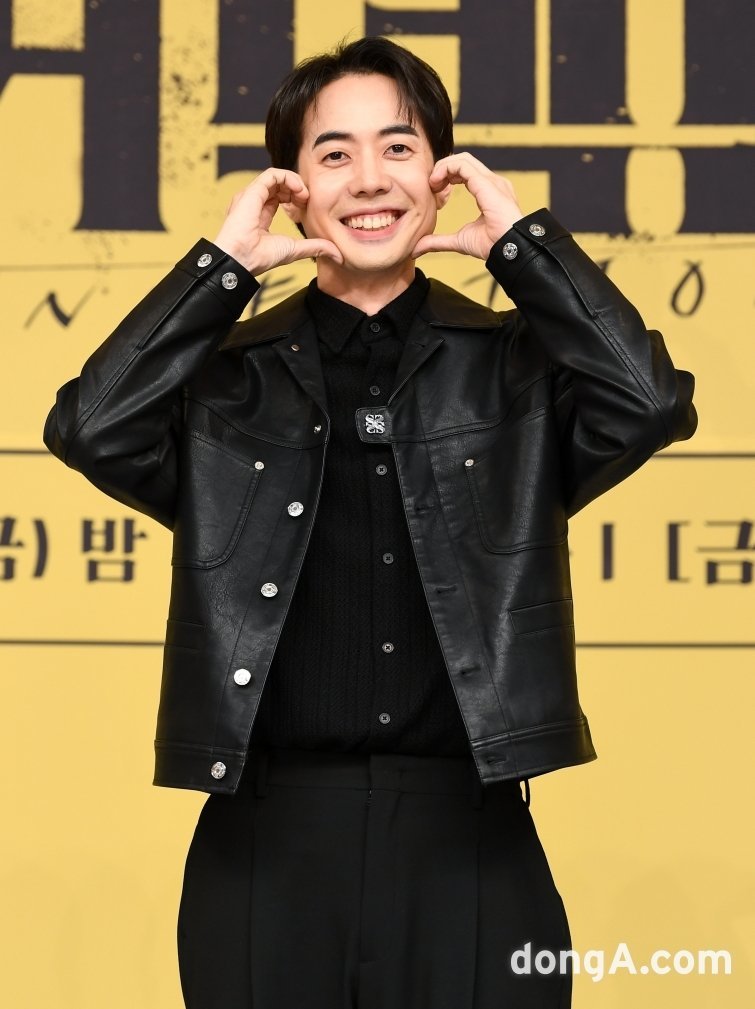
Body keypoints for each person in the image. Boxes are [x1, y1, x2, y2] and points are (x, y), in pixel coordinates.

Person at [44, 35, 697, 1009]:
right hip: (265, 845)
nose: (368, 179)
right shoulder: (226, 382)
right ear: (291, 188)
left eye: (398, 147)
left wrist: (525, 251)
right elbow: (90, 426)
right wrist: (219, 271)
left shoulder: (515, 370)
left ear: (440, 176)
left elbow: (648, 403)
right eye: (333, 153)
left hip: (469, 838)